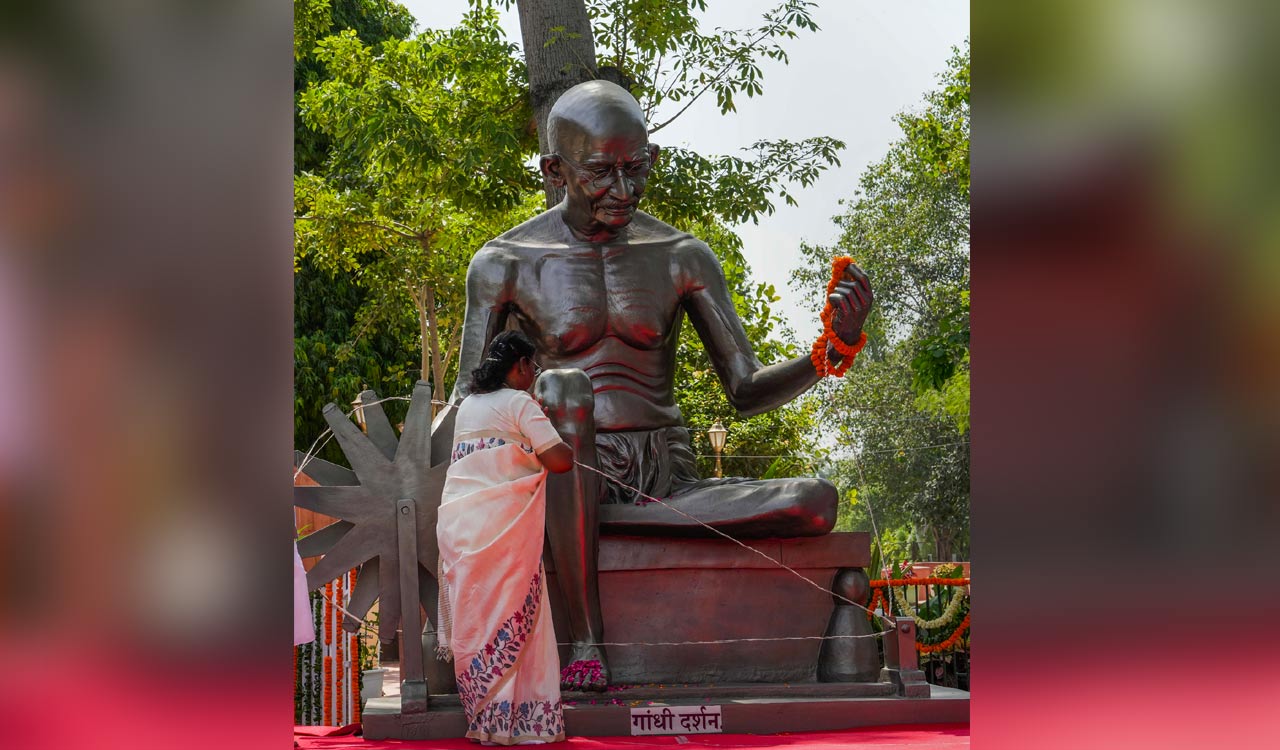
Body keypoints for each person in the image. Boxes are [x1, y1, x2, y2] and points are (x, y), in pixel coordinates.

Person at [437, 79, 874, 691]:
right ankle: (585, 641)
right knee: (563, 390)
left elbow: (744, 390)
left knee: (815, 500)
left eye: (637, 168)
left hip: (663, 477)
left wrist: (830, 349)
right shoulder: (505, 263)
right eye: (601, 173)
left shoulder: (680, 256)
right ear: (555, 170)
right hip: (561, 471)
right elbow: (468, 402)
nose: (624, 191)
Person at [436, 331, 574, 746]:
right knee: (519, 618)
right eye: (532, 366)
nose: (533, 375)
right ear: (518, 365)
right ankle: (525, 725)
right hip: (505, 533)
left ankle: (486, 721)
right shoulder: (519, 403)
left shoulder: (468, 407)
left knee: (480, 617)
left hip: (463, 528)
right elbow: (561, 460)